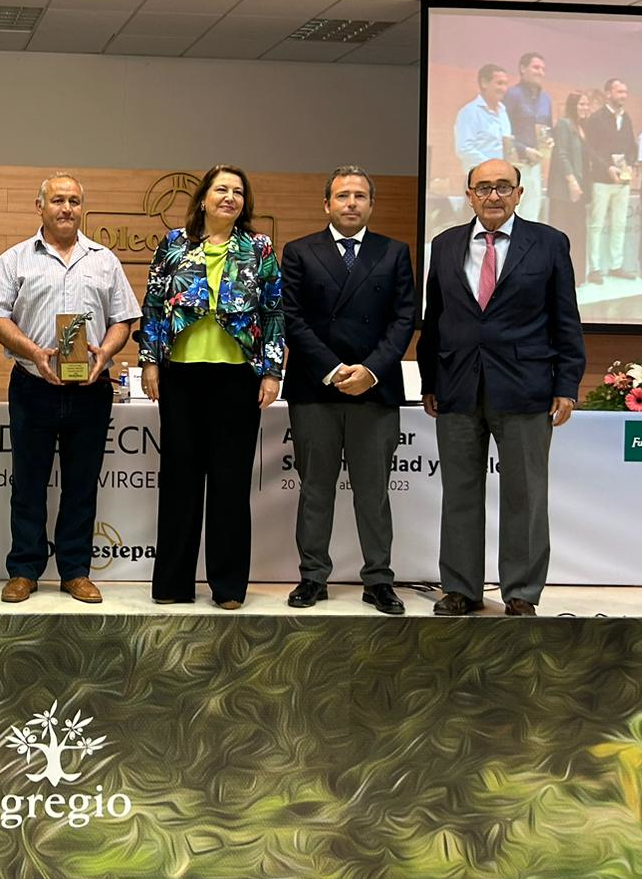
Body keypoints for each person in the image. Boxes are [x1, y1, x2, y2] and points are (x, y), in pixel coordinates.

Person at [416, 159, 585, 617]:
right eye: (484, 188)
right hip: (457, 387)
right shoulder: (445, 244)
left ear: (519, 193)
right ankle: (461, 589)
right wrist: (429, 380)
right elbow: (435, 321)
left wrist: (567, 384)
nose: (493, 195)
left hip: (527, 387)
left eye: (503, 187)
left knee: (525, 497)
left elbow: (565, 319)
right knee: (460, 493)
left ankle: (522, 593)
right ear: (469, 194)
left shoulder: (548, 243)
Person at [0, 173, 141, 604]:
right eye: (57, 200)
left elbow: (124, 320)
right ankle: (24, 570)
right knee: (28, 482)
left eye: (73, 201)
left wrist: (105, 353)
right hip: (33, 386)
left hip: (91, 387)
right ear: (40, 206)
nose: (66, 208)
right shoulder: (15, 260)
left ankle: (75, 571)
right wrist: (33, 351)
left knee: (81, 482)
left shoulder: (104, 260)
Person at [137, 165, 284, 610]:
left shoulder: (258, 248)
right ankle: (173, 585)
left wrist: (273, 371)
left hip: (237, 378)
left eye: (238, 192)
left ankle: (228, 586)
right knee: (179, 480)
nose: (230, 197)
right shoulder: (174, 244)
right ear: (203, 198)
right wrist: (149, 362)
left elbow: (274, 312)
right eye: (221, 189)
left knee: (230, 482)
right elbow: (154, 305)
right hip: (181, 375)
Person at [280, 166, 415, 615]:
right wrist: (336, 369)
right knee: (315, 488)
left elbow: (403, 320)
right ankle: (312, 577)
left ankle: (378, 580)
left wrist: (370, 370)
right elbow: (292, 320)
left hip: (374, 389)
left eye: (359, 196)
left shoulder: (394, 252)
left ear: (371, 205)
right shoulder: (299, 252)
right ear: (327, 204)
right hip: (316, 387)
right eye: (342, 196)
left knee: (373, 492)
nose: (351, 203)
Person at [583, 78, 636, 284]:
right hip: (601, 180)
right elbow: (590, 149)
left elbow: (631, 146)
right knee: (596, 225)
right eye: (619, 91)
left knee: (620, 223)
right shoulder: (596, 118)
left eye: (625, 92)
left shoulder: (627, 118)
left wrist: (630, 165)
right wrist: (608, 167)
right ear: (608, 93)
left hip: (622, 182)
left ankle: (616, 265)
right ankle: (594, 268)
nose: (623, 95)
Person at [502, 52, 552, 222]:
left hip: (535, 167)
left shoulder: (546, 99)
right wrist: (523, 149)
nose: (541, 72)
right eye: (536, 67)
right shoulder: (511, 95)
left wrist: (549, 141)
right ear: (523, 69)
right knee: (512, 217)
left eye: (543, 69)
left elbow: (548, 128)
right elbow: (503, 133)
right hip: (515, 166)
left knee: (532, 217)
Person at [548, 92, 592, 280]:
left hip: (580, 189)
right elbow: (561, 154)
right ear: (572, 105)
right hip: (564, 190)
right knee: (562, 232)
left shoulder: (581, 126)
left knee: (578, 232)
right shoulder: (564, 124)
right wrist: (571, 181)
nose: (585, 108)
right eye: (581, 104)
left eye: (587, 105)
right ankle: (559, 276)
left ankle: (577, 275)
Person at [455, 65, 512, 176]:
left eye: (506, 84)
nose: (504, 89)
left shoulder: (503, 112)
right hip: (478, 180)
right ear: (484, 83)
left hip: (500, 179)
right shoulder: (469, 112)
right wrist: (491, 167)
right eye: (499, 83)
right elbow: (464, 149)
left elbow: (506, 144)